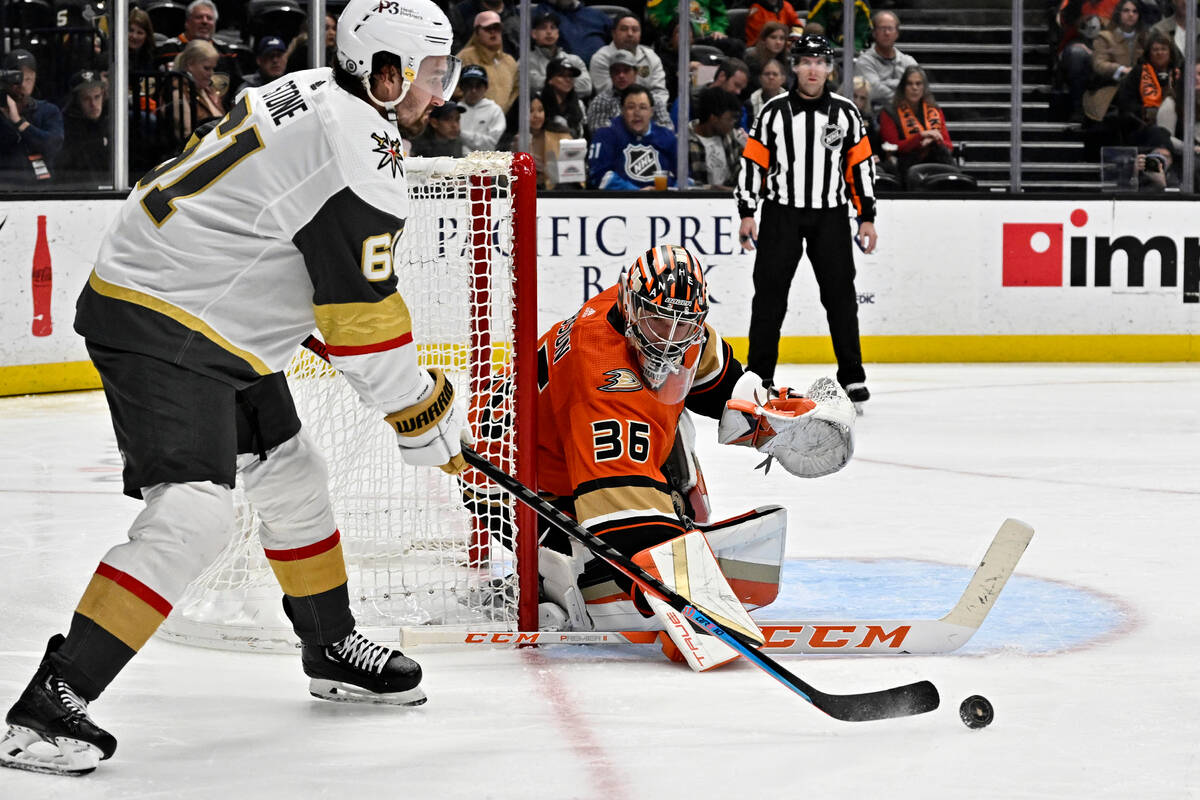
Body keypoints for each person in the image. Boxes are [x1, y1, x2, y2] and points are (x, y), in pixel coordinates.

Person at [0, 0, 470, 777]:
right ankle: (50, 702)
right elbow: (362, 321)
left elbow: (276, 230)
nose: (440, 93)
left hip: (196, 304)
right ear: (384, 73)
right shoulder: (357, 147)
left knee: (292, 476)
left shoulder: (320, 89)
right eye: (428, 73)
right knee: (192, 515)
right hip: (168, 320)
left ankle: (329, 647)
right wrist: (418, 414)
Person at [467, 245, 855, 667]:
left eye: (682, 324)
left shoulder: (667, 319)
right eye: (657, 322)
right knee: (592, 567)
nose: (669, 339)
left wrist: (770, 414)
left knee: (674, 438)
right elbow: (623, 520)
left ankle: (592, 562)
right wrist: (680, 598)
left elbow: (718, 382)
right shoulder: (600, 374)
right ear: (632, 308)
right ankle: (551, 577)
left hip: (559, 447)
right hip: (501, 482)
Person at [735, 35, 876, 407]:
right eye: (805, 61)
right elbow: (754, 163)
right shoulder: (773, 112)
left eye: (820, 61)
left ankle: (853, 377)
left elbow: (859, 167)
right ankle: (759, 375)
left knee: (841, 297)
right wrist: (747, 211)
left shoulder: (846, 113)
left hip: (830, 214)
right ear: (793, 67)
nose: (812, 68)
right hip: (781, 212)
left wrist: (866, 216)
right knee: (769, 296)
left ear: (829, 69)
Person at [588, 84, 678, 190]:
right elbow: (599, 176)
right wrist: (636, 193)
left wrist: (667, 193)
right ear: (622, 111)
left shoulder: (667, 137)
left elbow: (685, 178)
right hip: (620, 204)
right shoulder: (606, 134)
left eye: (643, 107)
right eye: (631, 107)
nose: (637, 113)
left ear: (651, 112)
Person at [878, 65, 957, 186]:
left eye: (918, 84)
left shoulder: (935, 109)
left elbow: (948, 146)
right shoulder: (889, 112)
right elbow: (892, 147)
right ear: (903, 87)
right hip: (904, 165)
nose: (914, 88)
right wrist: (920, 137)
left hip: (936, 160)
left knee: (943, 155)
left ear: (924, 87)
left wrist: (932, 140)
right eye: (910, 84)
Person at [155, 0, 242, 103]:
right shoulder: (168, 49)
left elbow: (237, 86)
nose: (204, 21)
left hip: (220, 112)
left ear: (215, 24)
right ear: (187, 22)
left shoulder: (226, 51)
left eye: (209, 18)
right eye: (199, 17)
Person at [0, 49, 64, 184]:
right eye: (17, 78)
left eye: (28, 78)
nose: (22, 85)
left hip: (39, 188)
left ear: (35, 78)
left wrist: (19, 122)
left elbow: (53, 145)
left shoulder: (47, 111)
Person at [1082, 0, 1148, 124]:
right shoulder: (1105, 37)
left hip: (1141, 90)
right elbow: (1099, 64)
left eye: (1135, 11)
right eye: (1126, 11)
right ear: (1119, 13)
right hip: (1111, 91)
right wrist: (1121, 69)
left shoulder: (1145, 38)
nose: (1131, 14)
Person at [588, 14, 668, 108]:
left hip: (649, 113)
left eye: (635, 30)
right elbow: (606, 96)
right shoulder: (601, 58)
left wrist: (648, 112)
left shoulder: (651, 56)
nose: (630, 34)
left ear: (640, 34)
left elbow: (660, 92)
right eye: (624, 29)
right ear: (613, 33)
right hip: (612, 113)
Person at [586, 50, 673, 135]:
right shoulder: (601, 101)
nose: (621, 75)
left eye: (626, 70)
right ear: (610, 75)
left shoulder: (653, 99)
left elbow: (668, 128)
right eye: (616, 71)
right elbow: (598, 131)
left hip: (651, 147)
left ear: (635, 73)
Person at [502, 95, 574, 187]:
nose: (537, 116)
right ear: (518, 114)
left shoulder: (560, 135)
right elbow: (502, 180)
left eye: (540, 110)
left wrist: (545, 170)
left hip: (555, 193)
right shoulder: (508, 140)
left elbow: (572, 174)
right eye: (530, 111)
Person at [853, 10, 918, 112]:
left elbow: (919, 89)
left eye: (890, 29)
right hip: (873, 122)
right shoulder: (864, 62)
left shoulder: (909, 62)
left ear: (897, 33)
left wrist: (884, 83)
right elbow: (874, 91)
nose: (887, 33)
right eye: (882, 28)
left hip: (906, 120)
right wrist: (902, 86)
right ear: (874, 33)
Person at [56, 69, 110, 186]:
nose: (93, 104)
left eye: (97, 97)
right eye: (86, 99)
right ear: (76, 101)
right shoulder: (66, 128)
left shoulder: (113, 122)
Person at [457, 10, 519, 112]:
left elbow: (515, 90)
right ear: (477, 32)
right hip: (470, 118)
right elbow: (451, 88)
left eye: (497, 28)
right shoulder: (465, 57)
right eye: (488, 28)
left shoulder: (509, 61)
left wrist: (504, 110)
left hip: (502, 120)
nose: (493, 32)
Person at [169, 39, 228, 139]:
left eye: (213, 68)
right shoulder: (176, 91)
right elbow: (186, 136)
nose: (211, 74)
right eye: (206, 68)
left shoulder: (208, 89)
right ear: (190, 65)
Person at [525, 9, 591, 97]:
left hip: (571, 107)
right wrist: (568, 83)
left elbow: (586, 87)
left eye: (553, 27)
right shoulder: (526, 61)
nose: (549, 32)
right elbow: (533, 87)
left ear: (558, 33)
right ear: (534, 34)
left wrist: (553, 83)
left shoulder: (574, 60)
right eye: (543, 28)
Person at [688, 87, 743, 189]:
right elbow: (687, 183)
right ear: (713, 118)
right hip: (699, 200)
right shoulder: (685, 142)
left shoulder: (732, 137)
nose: (733, 124)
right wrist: (712, 189)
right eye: (730, 119)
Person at [533, 0, 612, 66]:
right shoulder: (539, 14)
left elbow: (617, 42)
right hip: (562, 75)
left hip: (606, 73)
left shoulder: (596, 15)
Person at [457, 64, 506, 150]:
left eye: (478, 86)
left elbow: (491, 144)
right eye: (469, 85)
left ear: (486, 88)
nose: (473, 90)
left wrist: (460, 134)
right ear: (461, 87)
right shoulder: (453, 111)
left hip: (485, 162)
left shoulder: (495, 110)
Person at [539, 57, 587, 139]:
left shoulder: (579, 104)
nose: (568, 79)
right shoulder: (538, 102)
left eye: (570, 76)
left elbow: (582, 135)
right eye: (562, 75)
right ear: (550, 80)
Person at [804, 0, 873, 51]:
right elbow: (814, 28)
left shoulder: (862, 3)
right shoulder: (822, 1)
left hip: (852, 45)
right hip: (826, 43)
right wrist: (832, 48)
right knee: (814, 28)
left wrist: (854, 49)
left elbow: (862, 34)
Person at [744, 21, 792, 88]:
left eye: (782, 38)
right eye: (773, 37)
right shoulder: (752, 57)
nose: (778, 42)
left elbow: (789, 83)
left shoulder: (787, 58)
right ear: (764, 39)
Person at [747, 57, 788, 121]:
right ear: (760, 78)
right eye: (767, 74)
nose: (771, 77)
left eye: (775, 74)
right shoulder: (750, 104)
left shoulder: (791, 103)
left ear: (783, 79)